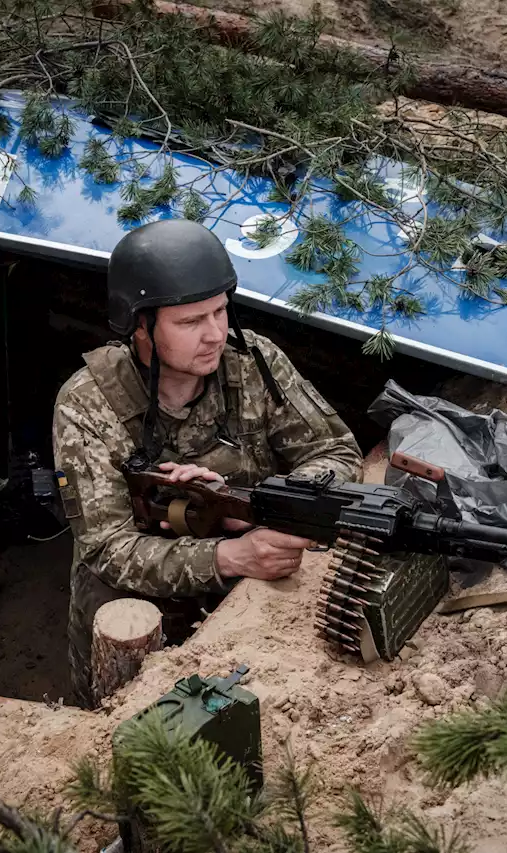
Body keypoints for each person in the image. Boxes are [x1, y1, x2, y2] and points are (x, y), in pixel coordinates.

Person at [53, 218, 363, 708]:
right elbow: (107, 548)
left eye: (220, 312)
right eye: (191, 321)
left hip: (244, 594)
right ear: (140, 326)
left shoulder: (254, 362)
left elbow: (336, 452)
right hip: (133, 606)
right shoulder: (89, 403)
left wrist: (261, 505)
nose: (215, 334)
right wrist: (229, 556)